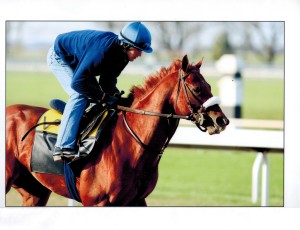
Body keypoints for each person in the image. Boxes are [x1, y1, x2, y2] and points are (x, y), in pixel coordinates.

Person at [47, 22, 153, 162]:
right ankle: (62, 147)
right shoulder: (102, 51)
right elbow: (78, 83)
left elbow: (107, 82)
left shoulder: (123, 57)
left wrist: (115, 97)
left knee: (96, 98)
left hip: (80, 61)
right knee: (79, 94)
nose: (140, 54)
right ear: (126, 45)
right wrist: (104, 97)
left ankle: (75, 116)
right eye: (138, 49)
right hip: (60, 56)